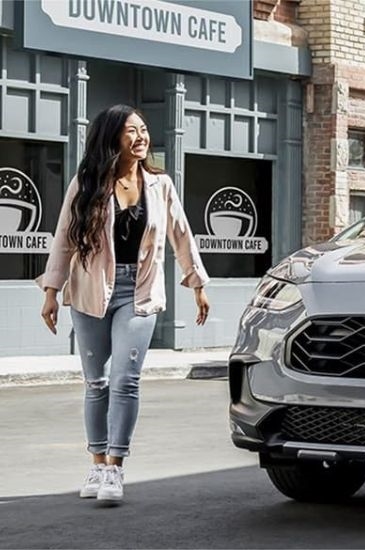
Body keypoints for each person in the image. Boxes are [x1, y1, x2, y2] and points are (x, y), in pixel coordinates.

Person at [38, 104, 211, 503]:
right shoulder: (87, 182)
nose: (141, 137)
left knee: (125, 378)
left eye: (144, 130)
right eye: (131, 131)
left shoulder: (159, 184)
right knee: (96, 381)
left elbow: (181, 234)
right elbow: (64, 236)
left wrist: (197, 284)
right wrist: (51, 291)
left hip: (140, 290)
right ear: (112, 136)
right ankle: (97, 465)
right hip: (90, 289)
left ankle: (115, 468)